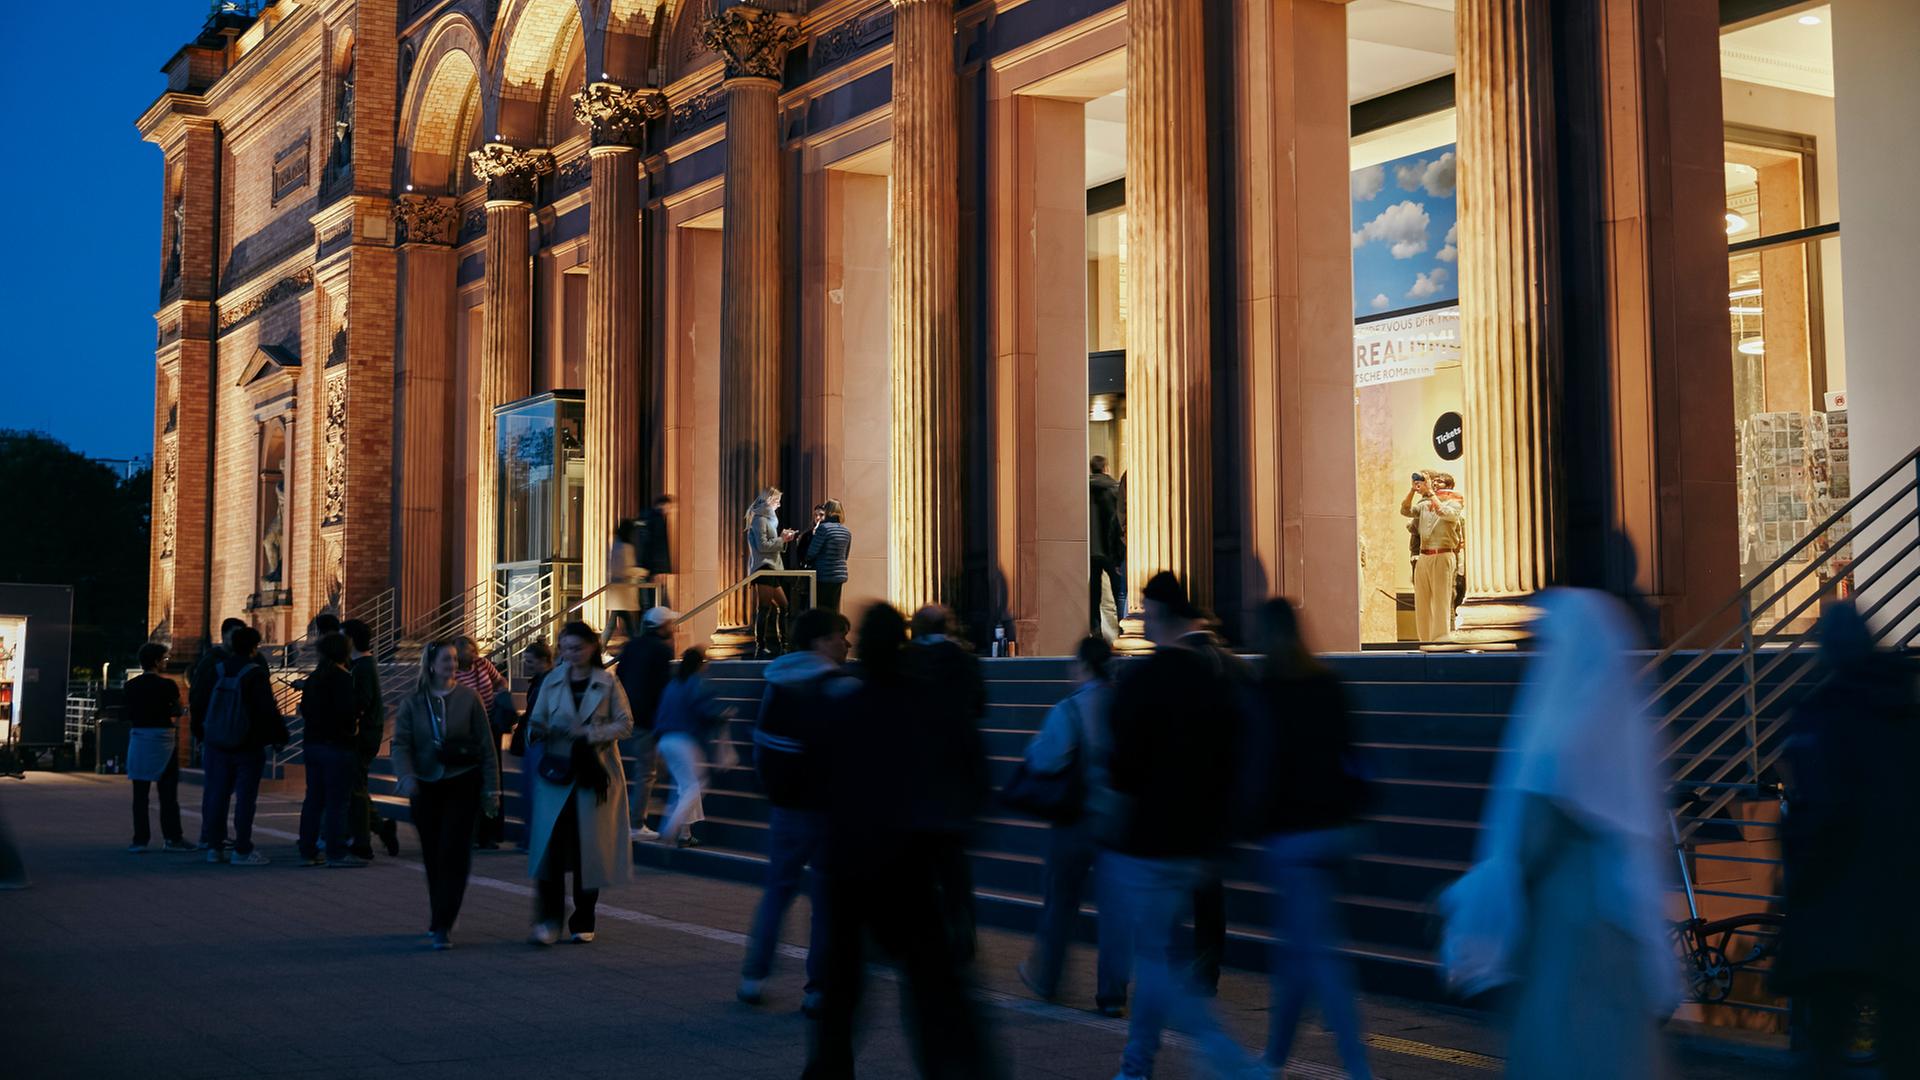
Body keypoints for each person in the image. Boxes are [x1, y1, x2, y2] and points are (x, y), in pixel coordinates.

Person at [1437, 589, 1675, 1078]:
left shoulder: (1561, 725)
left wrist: (1481, 901)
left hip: (1565, 920)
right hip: (1617, 913)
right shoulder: (1624, 717)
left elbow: (1535, 827)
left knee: (1561, 1045)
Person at [804, 603, 1002, 1080]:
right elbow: (971, 776)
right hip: (913, 869)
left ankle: (829, 1071)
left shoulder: (844, 708)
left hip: (852, 870)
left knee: (842, 997)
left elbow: (812, 784)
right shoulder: (928, 706)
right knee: (935, 997)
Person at [1100, 571, 1261, 1080]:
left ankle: (1225, 1061)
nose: (1141, 619)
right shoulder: (1212, 676)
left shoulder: (1141, 679)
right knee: (1156, 961)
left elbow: (1122, 766)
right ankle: (1136, 1064)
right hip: (1195, 838)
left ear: (1158, 616)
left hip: (1147, 840)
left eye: (1145, 612)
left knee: (1155, 963)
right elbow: (1233, 757)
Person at [1773, 602, 1919, 1078]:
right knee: (1902, 1046)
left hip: (1834, 911)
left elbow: (1817, 818)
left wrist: (1795, 880)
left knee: (1825, 1045)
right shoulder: (1904, 711)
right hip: (1902, 912)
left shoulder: (1821, 718)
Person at [1242, 598, 1372, 1077]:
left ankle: (1358, 1068)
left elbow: (1258, 766)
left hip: (1292, 836)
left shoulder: (1267, 690)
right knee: (1299, 952)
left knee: (1318, 957)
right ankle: (1274, 1058)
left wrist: (1244, 823)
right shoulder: (1327, 684)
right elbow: (1353, 754)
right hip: (1334, 830)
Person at [741, 607, 852, 1013]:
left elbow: (758, 742)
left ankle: (753, 976)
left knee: (777, 892)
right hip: (827, 809)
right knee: (825, 901)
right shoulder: (838, 686)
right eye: (840, 635)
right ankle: (817, 988)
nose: (846, 643)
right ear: (821, 641)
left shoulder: (775, 680)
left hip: (786, 805)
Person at [1016, 634, 1126, 1015]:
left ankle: (1048, 977)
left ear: (1082, 665)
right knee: (1115, 911)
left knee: (1060, 902)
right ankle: (1112, 994)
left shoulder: (1070, 709)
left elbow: (1044, 759)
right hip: (1116, 820)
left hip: (1075, 819)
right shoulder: (1123, 706)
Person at [523, 620, 634, 945]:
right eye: (566, 648)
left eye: (578, 647)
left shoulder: (608, 683)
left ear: (592, 648)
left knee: (591, 847)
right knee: (551, 849)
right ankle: (549, 920)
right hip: (556, 774)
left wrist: (590, 733)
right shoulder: (551, 681)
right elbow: (534, 722)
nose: (571, 654)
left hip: (594, 773)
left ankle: (584, 918)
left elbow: (626, 724)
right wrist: (541, 731)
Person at [393, 641, 500, 950]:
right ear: (430, 664)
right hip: (426, 785)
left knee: (454, 852)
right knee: (433, 855)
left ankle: (444, 923)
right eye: (446, 660)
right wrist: (407, 775)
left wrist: (492, 788)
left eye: (454, 659)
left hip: (462, 782)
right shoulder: (414, 702)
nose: (452, 665)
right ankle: (439, 912)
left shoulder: (470, 698)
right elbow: (401, 743)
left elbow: (486, 745)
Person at [908, 605, 991, 962]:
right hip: (957, 776)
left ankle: (922, 936)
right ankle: (963, 932)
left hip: (916, 778)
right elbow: (979, 706)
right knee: (955, 869)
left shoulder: (907, 662)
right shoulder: (965, 661)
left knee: (918, 869)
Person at [192, 626, 287, 866]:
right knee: (245, 798)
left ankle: (214, 847)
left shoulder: (216, 669)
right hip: (248, 744)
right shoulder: (254, 673)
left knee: (217, 794)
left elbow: (200, 702)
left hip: (216, 742)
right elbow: (267, 710)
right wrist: (278, 736)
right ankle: (242, 849)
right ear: (255, 647)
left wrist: (200, 732)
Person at [651, 646, 736, 847]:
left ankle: (684, 833)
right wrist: (722, 715)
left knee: (683, 786)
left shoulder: (672, 684)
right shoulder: (696, 683)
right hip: (684, 740)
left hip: (665, 740)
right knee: (695, 786)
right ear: (700, 664)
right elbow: (704, 709)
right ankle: (670, 827)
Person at [295, 633, 367, 868]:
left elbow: (304, 709)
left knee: (314, 799)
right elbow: (348, 712)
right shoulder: (343, 678)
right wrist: (353, 729)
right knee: (337, 802)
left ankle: (307, 849)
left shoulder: (315, 678)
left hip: (313, 744)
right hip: (337, 747)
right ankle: (336, 851)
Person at [123, 641, 192, 853]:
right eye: (164, 659)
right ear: (156, 661)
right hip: (163, 739)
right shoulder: (168, 685)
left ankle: (140, 839)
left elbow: (128, 712)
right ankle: (172, 837)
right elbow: (178, 710)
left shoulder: (131, 686)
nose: (166, 662)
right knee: (168, 793)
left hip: (140, 737)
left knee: (140, 794)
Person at [617, 606, 677, 841]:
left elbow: (620, 676)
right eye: (669, 624)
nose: (672, 628)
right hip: (649, 718)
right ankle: (635, 821)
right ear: (661, 626)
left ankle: (641, 805)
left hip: (628, 714)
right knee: (646, 771)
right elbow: (662, 686)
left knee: (649, 768)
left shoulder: (631, 646)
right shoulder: (661, 650)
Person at [341, 618, 397, 859]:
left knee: (357, 788)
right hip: (361, 734)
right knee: (356, 787)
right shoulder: (358, 664)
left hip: (362, 735)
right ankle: (381, 829)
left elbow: (361, 702)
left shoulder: (363, 666)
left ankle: (369, 835)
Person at [452, 635, 510, 848]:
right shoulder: (453, 672)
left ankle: (489, 833)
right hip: (468, 730)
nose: (471, 657)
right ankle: (471, 832)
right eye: (466, 654)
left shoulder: (482, 664)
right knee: (471, 780)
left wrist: (503, 690)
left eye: (473, 652)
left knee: (492, 777)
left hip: (490, 725)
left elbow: (499, 680)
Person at [1401, 469, 1464, 643]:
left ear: (1449, 486)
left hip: (1443, 554)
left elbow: (1446, 514)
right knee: (1422, 601)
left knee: (1441, 600)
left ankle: (1441, 641)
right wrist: (1413, 491)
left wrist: (1430, 494)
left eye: (1439, 482)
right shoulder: (1424, 503)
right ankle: (1425, 641)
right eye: (1433, 481)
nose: (1434, 484)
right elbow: (1405, 511)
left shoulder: (1455, 501)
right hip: (1423, 555)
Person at [746, 488, 797, 658]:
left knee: (783, 606)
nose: (779, 504)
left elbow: (769, 544)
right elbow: (763, 546)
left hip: (771, 567)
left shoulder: (767, 520)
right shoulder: (760, 520)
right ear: (768, 500)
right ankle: (761, 646)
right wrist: (782, 539)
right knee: (765, 608)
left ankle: (784, 645)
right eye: (776, 500)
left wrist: (783, 538)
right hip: (764, 568)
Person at [1089, 456, 1126, 639]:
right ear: (1106, 468)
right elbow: (1116, 522)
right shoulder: (1114, 489)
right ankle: (1123, 629)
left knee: (1093, 595)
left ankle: (1096, 633)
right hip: (1110, 551)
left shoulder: (1085, 490)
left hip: (1090, 551)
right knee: (1118, 592)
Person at [806, 500, 853, 614]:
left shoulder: (823, 528)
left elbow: (811, 553)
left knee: (820, 609)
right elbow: (845, 556)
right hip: (839, 575)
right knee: (833, 609)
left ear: (827, 511)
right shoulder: (846, 531)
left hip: (823, 574)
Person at [605, 519, 644, 642]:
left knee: (618, 623)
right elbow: (625, 570)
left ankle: (602, 648)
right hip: (623, 591)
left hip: (618, 591)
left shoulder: (616, 545)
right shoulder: (626, 547)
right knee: (626, 624)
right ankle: (636, 647)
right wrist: (641, 572)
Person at [635, 493, 674, 608]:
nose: (669, 510)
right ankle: (655, 622)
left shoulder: (646, 517)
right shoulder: (657, 520)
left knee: (648, 598)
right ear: (663, 505)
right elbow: (659, 545)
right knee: (656, 597)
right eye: (669, 507)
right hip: (653, 567)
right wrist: (661, 568)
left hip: (645, 565)